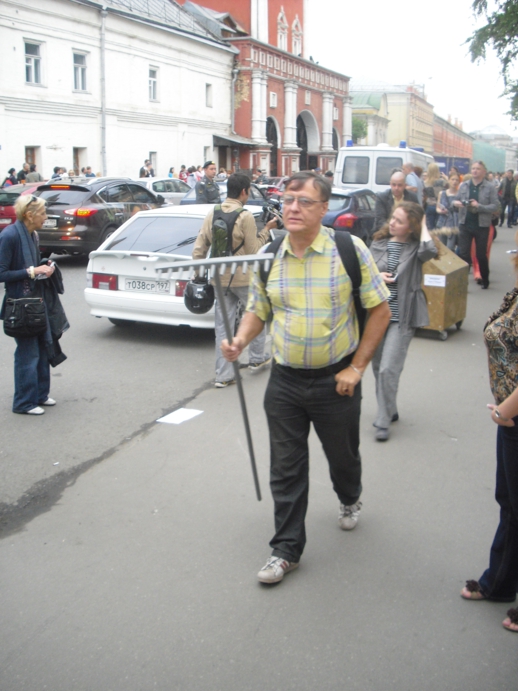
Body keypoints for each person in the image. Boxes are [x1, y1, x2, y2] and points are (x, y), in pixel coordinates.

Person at [221, 171, 391, 584]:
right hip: (285, 382)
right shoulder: (272, 253)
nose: (293, 207)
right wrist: (241, 340)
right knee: (286, 468)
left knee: (342, 459)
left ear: (324, 208)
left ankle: (350, 497)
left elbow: (380, 310)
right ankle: (285, 550)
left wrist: (356, 368)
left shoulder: (349, 250)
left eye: (305, 201)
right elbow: (259, 309)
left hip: (338, 382)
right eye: (289, 198)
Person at [460, 238, 518, 634]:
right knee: (510, 504)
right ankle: (499, 583)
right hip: (510, 417)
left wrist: (505, 410)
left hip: (512, 413)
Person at [192, 173, 277, 387]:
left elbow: (200, 245)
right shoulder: (245, 216)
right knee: (256, 314)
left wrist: (199, 273)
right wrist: (267, 230)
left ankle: (223, 376)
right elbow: (253, 251)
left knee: (223, 326)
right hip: (243, 277)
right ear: (244, 192)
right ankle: (257, 359)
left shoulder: (214, 212)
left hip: (219, 278)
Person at [369, 202, 438, 441]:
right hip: (377, 315)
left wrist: (425, 224)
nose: (392, 223)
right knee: (378, 367)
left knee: (389, 368)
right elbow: (364, 272)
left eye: (399, 221)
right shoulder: (378, 243)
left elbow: (431, 249)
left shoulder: (417, 248)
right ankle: (390, 407)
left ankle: (383, 420)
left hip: (402, 317)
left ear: (411, 227)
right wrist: (377, 277)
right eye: (392, 218)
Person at [0, 196, 58, 414]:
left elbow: (32, 266)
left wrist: (45, 266)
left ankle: (40, 395)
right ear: (29, 215)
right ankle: (24, 403)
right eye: (42, 213)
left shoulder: (32, 234)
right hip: (19, 305)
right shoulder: (10, 235)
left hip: (35, 301)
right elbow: (1, 272)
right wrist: (33, 271)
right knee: (28, 353)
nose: (45, 217)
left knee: (43, 348)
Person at [454, 160, 500, 290]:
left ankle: (485, 279)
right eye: (473, 168)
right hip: (465, 224)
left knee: (481, 255)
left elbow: (495, 206)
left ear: (484, 172)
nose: (475, 171)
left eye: (478, 169)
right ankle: (462, 282)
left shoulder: (490, 187)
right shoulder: (464, 185)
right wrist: (456, 204)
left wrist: (478, 206)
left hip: (481, 225)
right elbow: (455, 200)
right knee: (463, 254)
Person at [436, 171, 461, 251]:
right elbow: (437, 208)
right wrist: (441, 211)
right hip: (442, 222)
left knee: (450, 247)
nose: (454, 182)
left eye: (456, 180)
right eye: (452, 179)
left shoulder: (460, 194)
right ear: (449, 180)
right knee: (442, 247)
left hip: (454, 223)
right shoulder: (442, 193)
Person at [423, 163, 446, 230]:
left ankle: (431, 240)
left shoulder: (425, 183)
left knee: (430, 229)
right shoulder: (442, 182)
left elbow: (424, 196)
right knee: (439, 229)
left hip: (429, 206)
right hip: (440, 206)